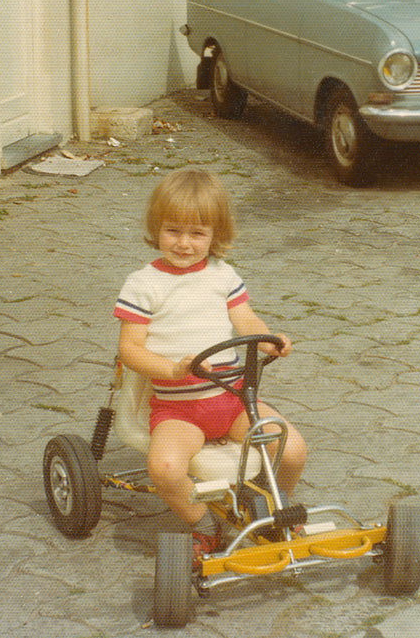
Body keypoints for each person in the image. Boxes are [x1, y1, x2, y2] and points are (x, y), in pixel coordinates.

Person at [113, 168, 307, 561]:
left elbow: (246, 321)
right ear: (156, 228)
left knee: (293, 449)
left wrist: (270, 340)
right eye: (173, 231)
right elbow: (130, 349)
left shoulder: (223, 276)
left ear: (215, 235)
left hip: (234, 400)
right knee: (165, 469)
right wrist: (170, 370)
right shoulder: (143, 283)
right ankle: (201, 522)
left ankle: (273, 503)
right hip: (178, 410)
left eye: (197, 233)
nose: (184, 243)